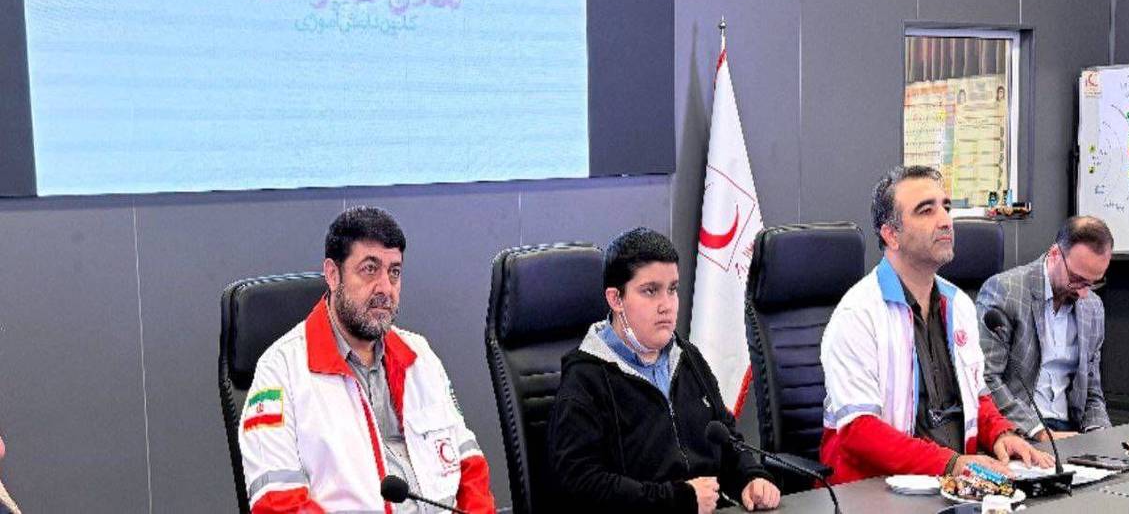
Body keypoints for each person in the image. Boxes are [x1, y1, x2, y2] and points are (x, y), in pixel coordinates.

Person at [239, 206, 495, 513]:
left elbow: (469, 466)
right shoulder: (280, 371)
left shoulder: (420, 356)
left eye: (394, 272)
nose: (385, 288)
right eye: (370, 269)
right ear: (333, 274)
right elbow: (277, 504)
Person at [819, 166, 1052, 484]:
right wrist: (951, 463)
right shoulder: (858, 314)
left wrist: (1000, 433)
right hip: (878, 488)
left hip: (954, 482)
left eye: (946, 207)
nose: (945, 221)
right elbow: (859, 432)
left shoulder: (959, 305)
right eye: (926, 210)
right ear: (891, 235)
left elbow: (976, 395)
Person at [548, 227, 781, 513]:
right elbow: (582, 484)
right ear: (616, 299)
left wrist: (751, 477)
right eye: (650, 291)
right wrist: (679, 499)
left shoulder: (688, 358)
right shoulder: (585, 379)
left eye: (672, 289)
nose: (666, 305)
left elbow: (727, 440)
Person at [977, 216, 1114, 440]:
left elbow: (1092, 390)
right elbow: (986, 378)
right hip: (1021, 431)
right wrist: (1039, 432)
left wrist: (1100, 436)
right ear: (1054, 254)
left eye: (1092, 283)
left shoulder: (1093, 306)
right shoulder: (1005, 291)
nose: (1083, 293)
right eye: (1076, 279)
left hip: (1071, 431)